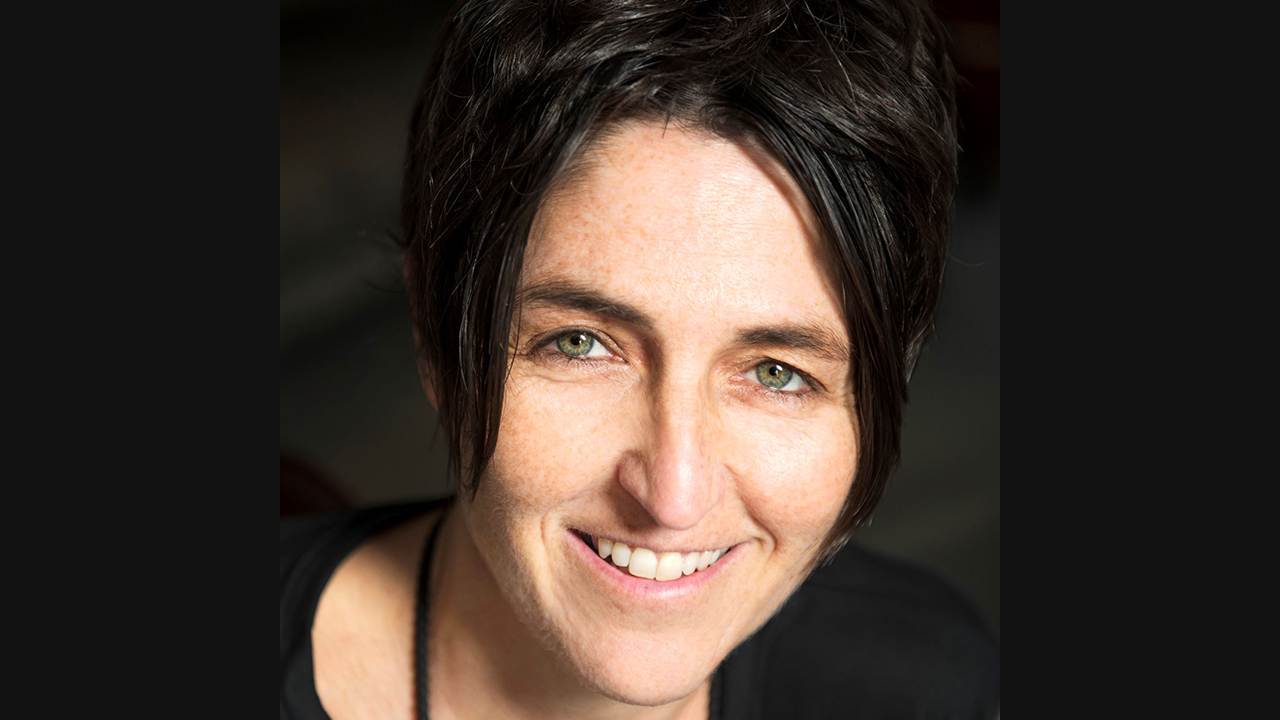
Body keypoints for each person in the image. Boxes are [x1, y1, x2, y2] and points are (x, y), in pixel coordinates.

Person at [280, 0, 999, 718]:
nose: (671, 497)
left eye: (777, 372)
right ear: (434, 335)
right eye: (580, 343)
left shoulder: (929, 682)